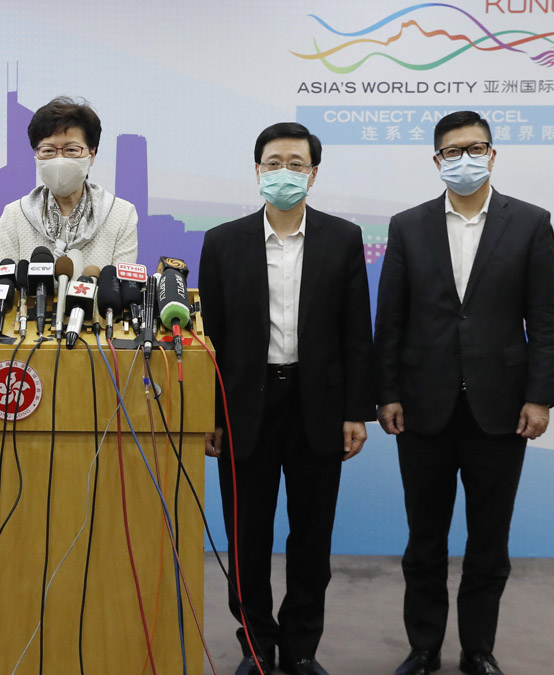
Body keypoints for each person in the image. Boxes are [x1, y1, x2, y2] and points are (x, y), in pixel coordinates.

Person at [375, 111, 554, 675]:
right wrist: (386, 393)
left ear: (493, 154)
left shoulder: (530, 223)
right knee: (424, 541)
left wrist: (540, 396)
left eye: (475, 148)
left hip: (502, 410)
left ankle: (478, 649)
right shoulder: (408, 226)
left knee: (489, 542)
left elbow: (546, 320)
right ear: (437, 162)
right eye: (452, 151)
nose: (464, 159)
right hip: (422, 407)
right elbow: (392, 319)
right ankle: (424, 647)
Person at [199, 122, 375, 675]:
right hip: (244, 409)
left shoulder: (343, 238)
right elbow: (212, 338)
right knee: (247, 539)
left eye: (296, 164)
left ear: (314, 174)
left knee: (310, 540)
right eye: (273, 163)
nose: (284, 173)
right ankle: (255, 647)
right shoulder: (223, 241)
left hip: (316, 408)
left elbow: (355, 334)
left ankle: (300, 650)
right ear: (257, 172)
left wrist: (355, 412)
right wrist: (210, 414)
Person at [0, 96, 139, 270]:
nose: (60, 160)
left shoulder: (120, 214)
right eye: (48, 150)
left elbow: (120, 289)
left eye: (71, 150)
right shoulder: (15, 215)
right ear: (36, 155)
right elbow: (5, 284)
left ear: (91, 154)